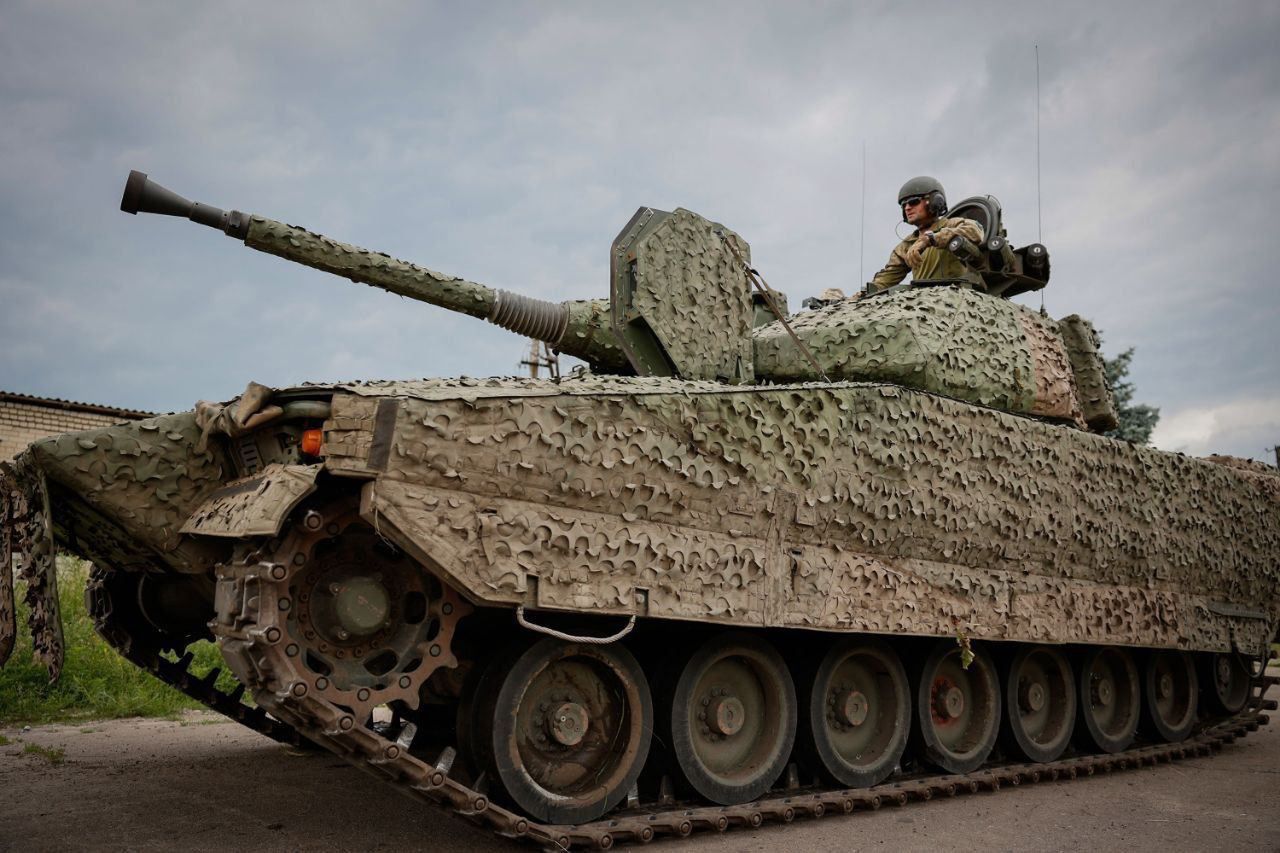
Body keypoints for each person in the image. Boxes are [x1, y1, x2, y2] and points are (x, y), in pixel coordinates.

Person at [867, 176, 984, 293]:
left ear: (935, 202)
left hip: (956, 297)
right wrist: (861, 295)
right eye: (903, 205)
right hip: (924, 304)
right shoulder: (907, 245)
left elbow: (975, 232)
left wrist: (930, 239)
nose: (907, 208)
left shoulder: (952, 224)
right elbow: (886, 279)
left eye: (913, 202)